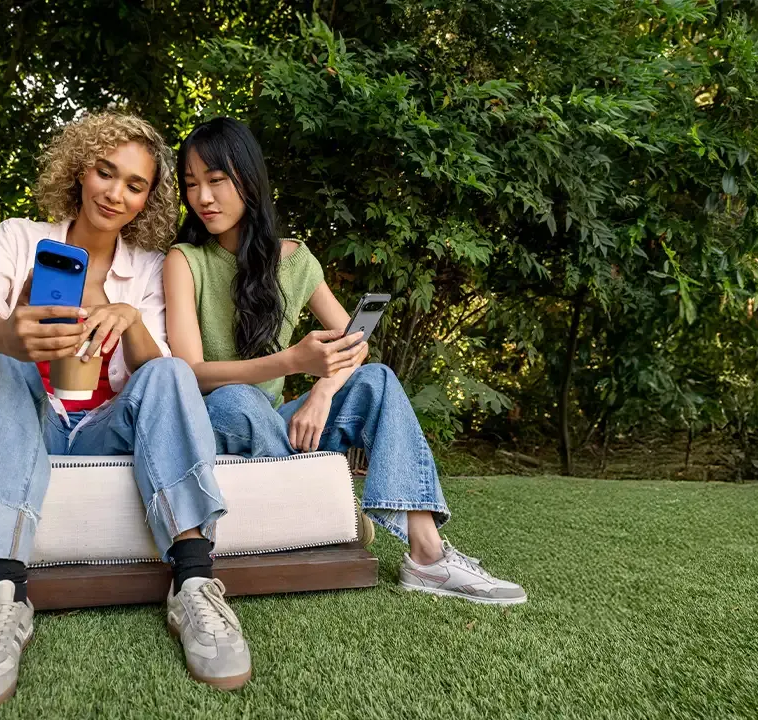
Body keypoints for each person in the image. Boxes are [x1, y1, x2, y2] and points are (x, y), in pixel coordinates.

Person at [0, 113, 251, 719]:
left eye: (135, 185)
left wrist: (128, 318)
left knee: (172, 369)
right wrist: (8, 335)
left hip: (106, 425)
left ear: (147, 199)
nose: (115, 193)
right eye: (106, 172)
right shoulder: (19, 238)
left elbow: (160, 371)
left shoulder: (151, 267)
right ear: (80, 169)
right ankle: (2, 596)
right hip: (33, 418)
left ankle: (195, 584)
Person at [163, 117, 526, 607]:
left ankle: (427, 556)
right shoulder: (185, 260)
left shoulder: (295, 261)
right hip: (220, 419)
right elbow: (189, 371)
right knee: (239, 399)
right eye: (191, 184)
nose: (202, 197)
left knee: (376, 379)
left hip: (279, 430)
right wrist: (291, 362)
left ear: (247, 179)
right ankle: (318, 499)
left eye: (216, 180)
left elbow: (356, 343)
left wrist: (323, 392)